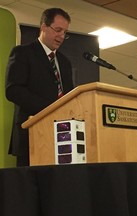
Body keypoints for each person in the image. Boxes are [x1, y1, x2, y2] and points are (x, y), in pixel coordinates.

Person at [5, 8, 74, 166]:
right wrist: (50, 110)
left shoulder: (65, 62)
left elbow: (69, 96)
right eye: (58, 30)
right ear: (43, 27)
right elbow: (13, 90)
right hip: (31, 135)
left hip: (62, 138)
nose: (61, 36)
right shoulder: (23, 53)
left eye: (65, 32)